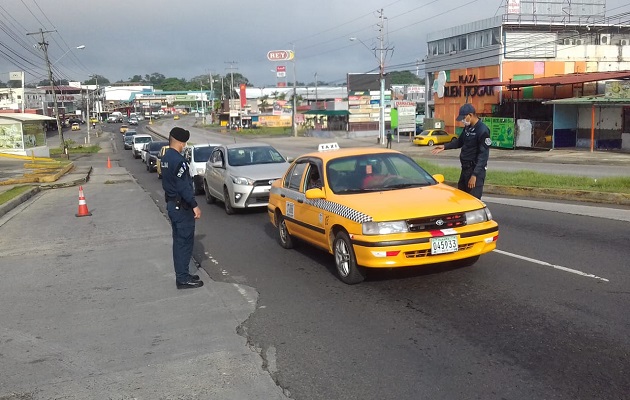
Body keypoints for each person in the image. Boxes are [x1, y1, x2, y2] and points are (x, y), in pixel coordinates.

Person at [161, 127, 203, 289]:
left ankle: (183, 274)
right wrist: (194, 205)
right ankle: (183, 279)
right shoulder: (179, 161)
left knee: (179, 242)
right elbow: (184, 187)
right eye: (184, 143)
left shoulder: (166, 157)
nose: (184, 145)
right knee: (184, 243)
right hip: (181, 207)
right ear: (179, 142)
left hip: (173, 205)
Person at [431, 103, 491, 199]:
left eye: (463, 118)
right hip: (465, 169)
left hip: (475, 171)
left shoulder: (482, 130)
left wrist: (474, 175)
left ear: (470, 115)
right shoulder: (468, 128)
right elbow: (460, 142)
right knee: (461, 198)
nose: (462, 121)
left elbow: (483, 156)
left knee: (472, 201)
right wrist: (445, 147)